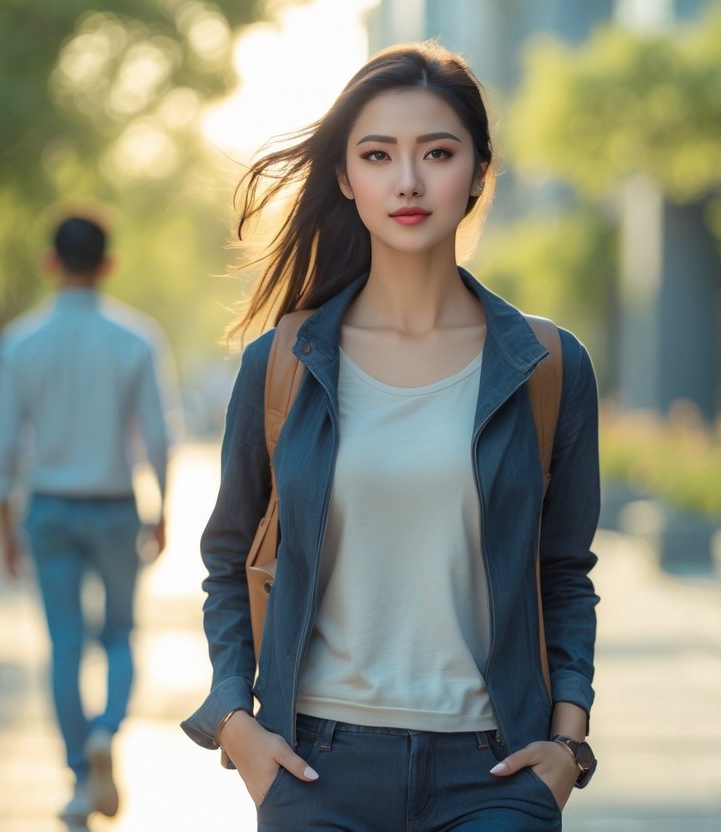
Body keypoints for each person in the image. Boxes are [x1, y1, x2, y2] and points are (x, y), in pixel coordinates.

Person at [181, 42, 600, 831]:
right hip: (316, 768)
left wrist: (566, 746)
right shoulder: (283, 364)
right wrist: (237, 726)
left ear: (477, 170)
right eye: (378, 155)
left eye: (436, 153)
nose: (407, 180)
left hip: (497, 770)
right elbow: (227, 557)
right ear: (346, 178)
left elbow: (563, 571)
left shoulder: (545, 365)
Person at [0, 214, 173, 824]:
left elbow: (4, 445)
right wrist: (163, 506)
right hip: (117, 507)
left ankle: (76, 776)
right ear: (108, 265)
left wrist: (3, 526)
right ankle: (106, 732)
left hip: (48, 509)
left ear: (50, 263)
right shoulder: (136, 339)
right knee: (120, 634)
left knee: (64, 645)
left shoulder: (19, 342)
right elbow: (157, 435)